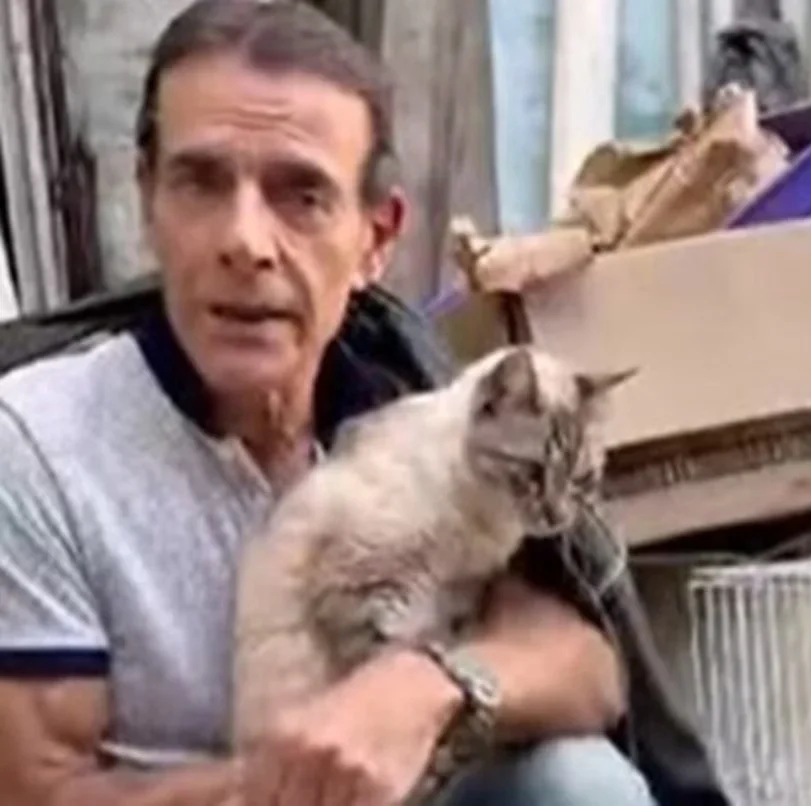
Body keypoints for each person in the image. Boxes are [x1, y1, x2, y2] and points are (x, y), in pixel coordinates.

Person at [0, 2, 730, 805]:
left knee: (576, 784)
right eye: (201, 183)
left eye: (302, 196)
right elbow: (38, 792)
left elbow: (588, 670)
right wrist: (302, 776)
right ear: (148, 202)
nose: (245, 242)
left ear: (375, 239)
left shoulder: (411, 408)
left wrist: (421, 691)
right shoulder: (40, 443)